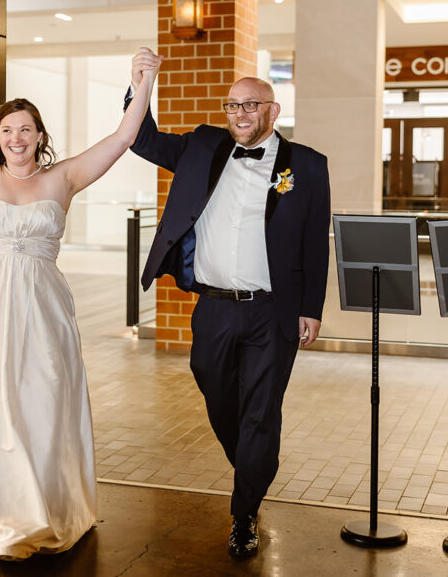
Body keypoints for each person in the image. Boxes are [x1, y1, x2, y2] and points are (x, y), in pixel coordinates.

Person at [0, 7, 162, 560]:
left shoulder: (64, 177)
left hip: (43, 306)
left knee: (41, 400)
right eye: (7, 129)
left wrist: (144, 82)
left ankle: (43, 503)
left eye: (26, 128)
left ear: (40, 135)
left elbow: (123, 138)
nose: (17, 136)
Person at [126, 48, 330, 558]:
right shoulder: (203, 147)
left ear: (273, 110)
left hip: (272, 311)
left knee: (262, 412)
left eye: (251, 105)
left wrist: (312, 306)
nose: (240, 114)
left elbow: (314, 241)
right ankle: (253, 469)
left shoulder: (307, 165)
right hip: (214, 307)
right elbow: (142, 140)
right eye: (233, 105)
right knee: (219, 398)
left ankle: (244, 514)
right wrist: (141, 84)